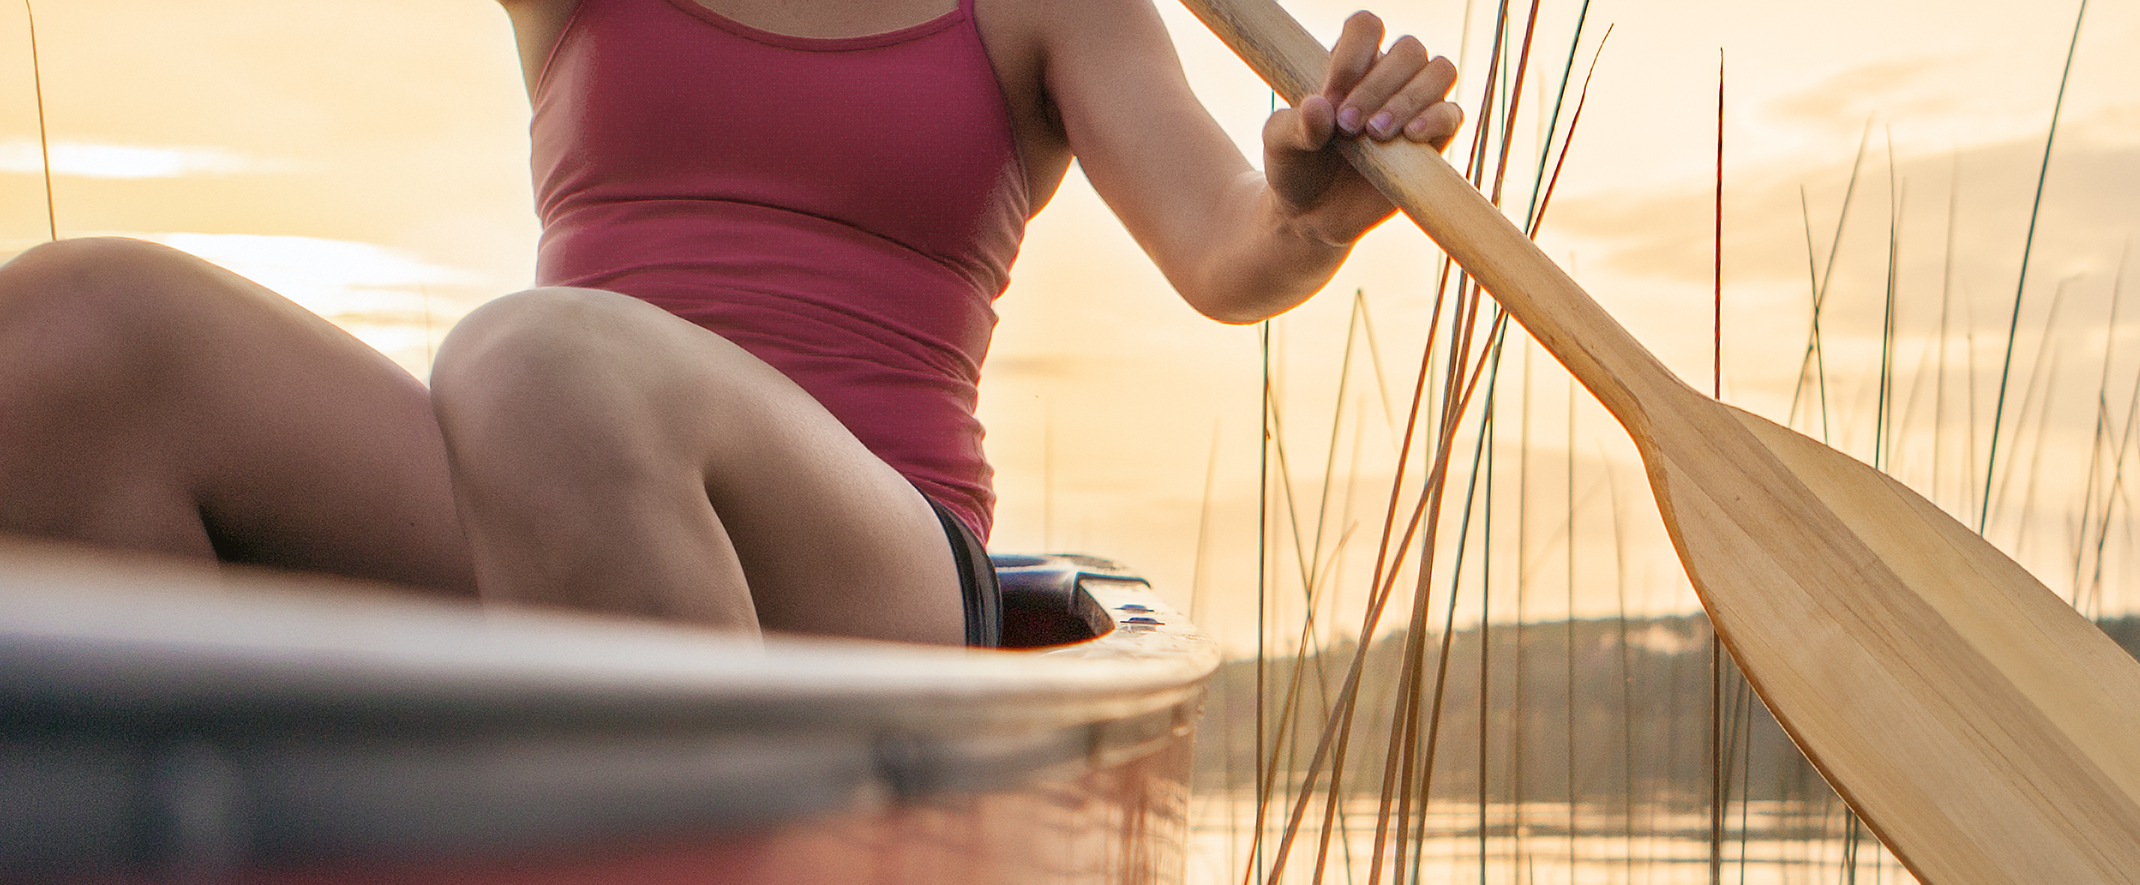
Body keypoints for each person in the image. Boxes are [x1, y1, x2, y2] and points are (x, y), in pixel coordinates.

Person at [0, 0, 1462, 646]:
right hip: (547, 498)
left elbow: (1230, 250)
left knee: (538, 362)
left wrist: (1309, 204)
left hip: (865, 554)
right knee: (69, 336)